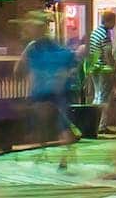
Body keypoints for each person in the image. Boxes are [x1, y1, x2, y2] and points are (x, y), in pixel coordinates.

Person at [14, 10, 78, 169]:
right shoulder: (57, 48)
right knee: (60, 124)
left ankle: (44, 151)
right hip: (58, 91)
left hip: (42, 91)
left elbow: (18, 69)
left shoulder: (33, 47)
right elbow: (70, 65)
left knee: (41, 121)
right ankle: (64, 154)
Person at [87, 12, 116, 129]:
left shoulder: (95, 32)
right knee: (103, 97)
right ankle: (101, 125)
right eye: (114, 21)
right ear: (108, 21)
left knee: (97, 95)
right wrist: (114, 68)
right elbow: (107, 54)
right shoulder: (105, 34)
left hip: (94, 68)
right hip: (104, 69)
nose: (114, 24)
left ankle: (93, 122)